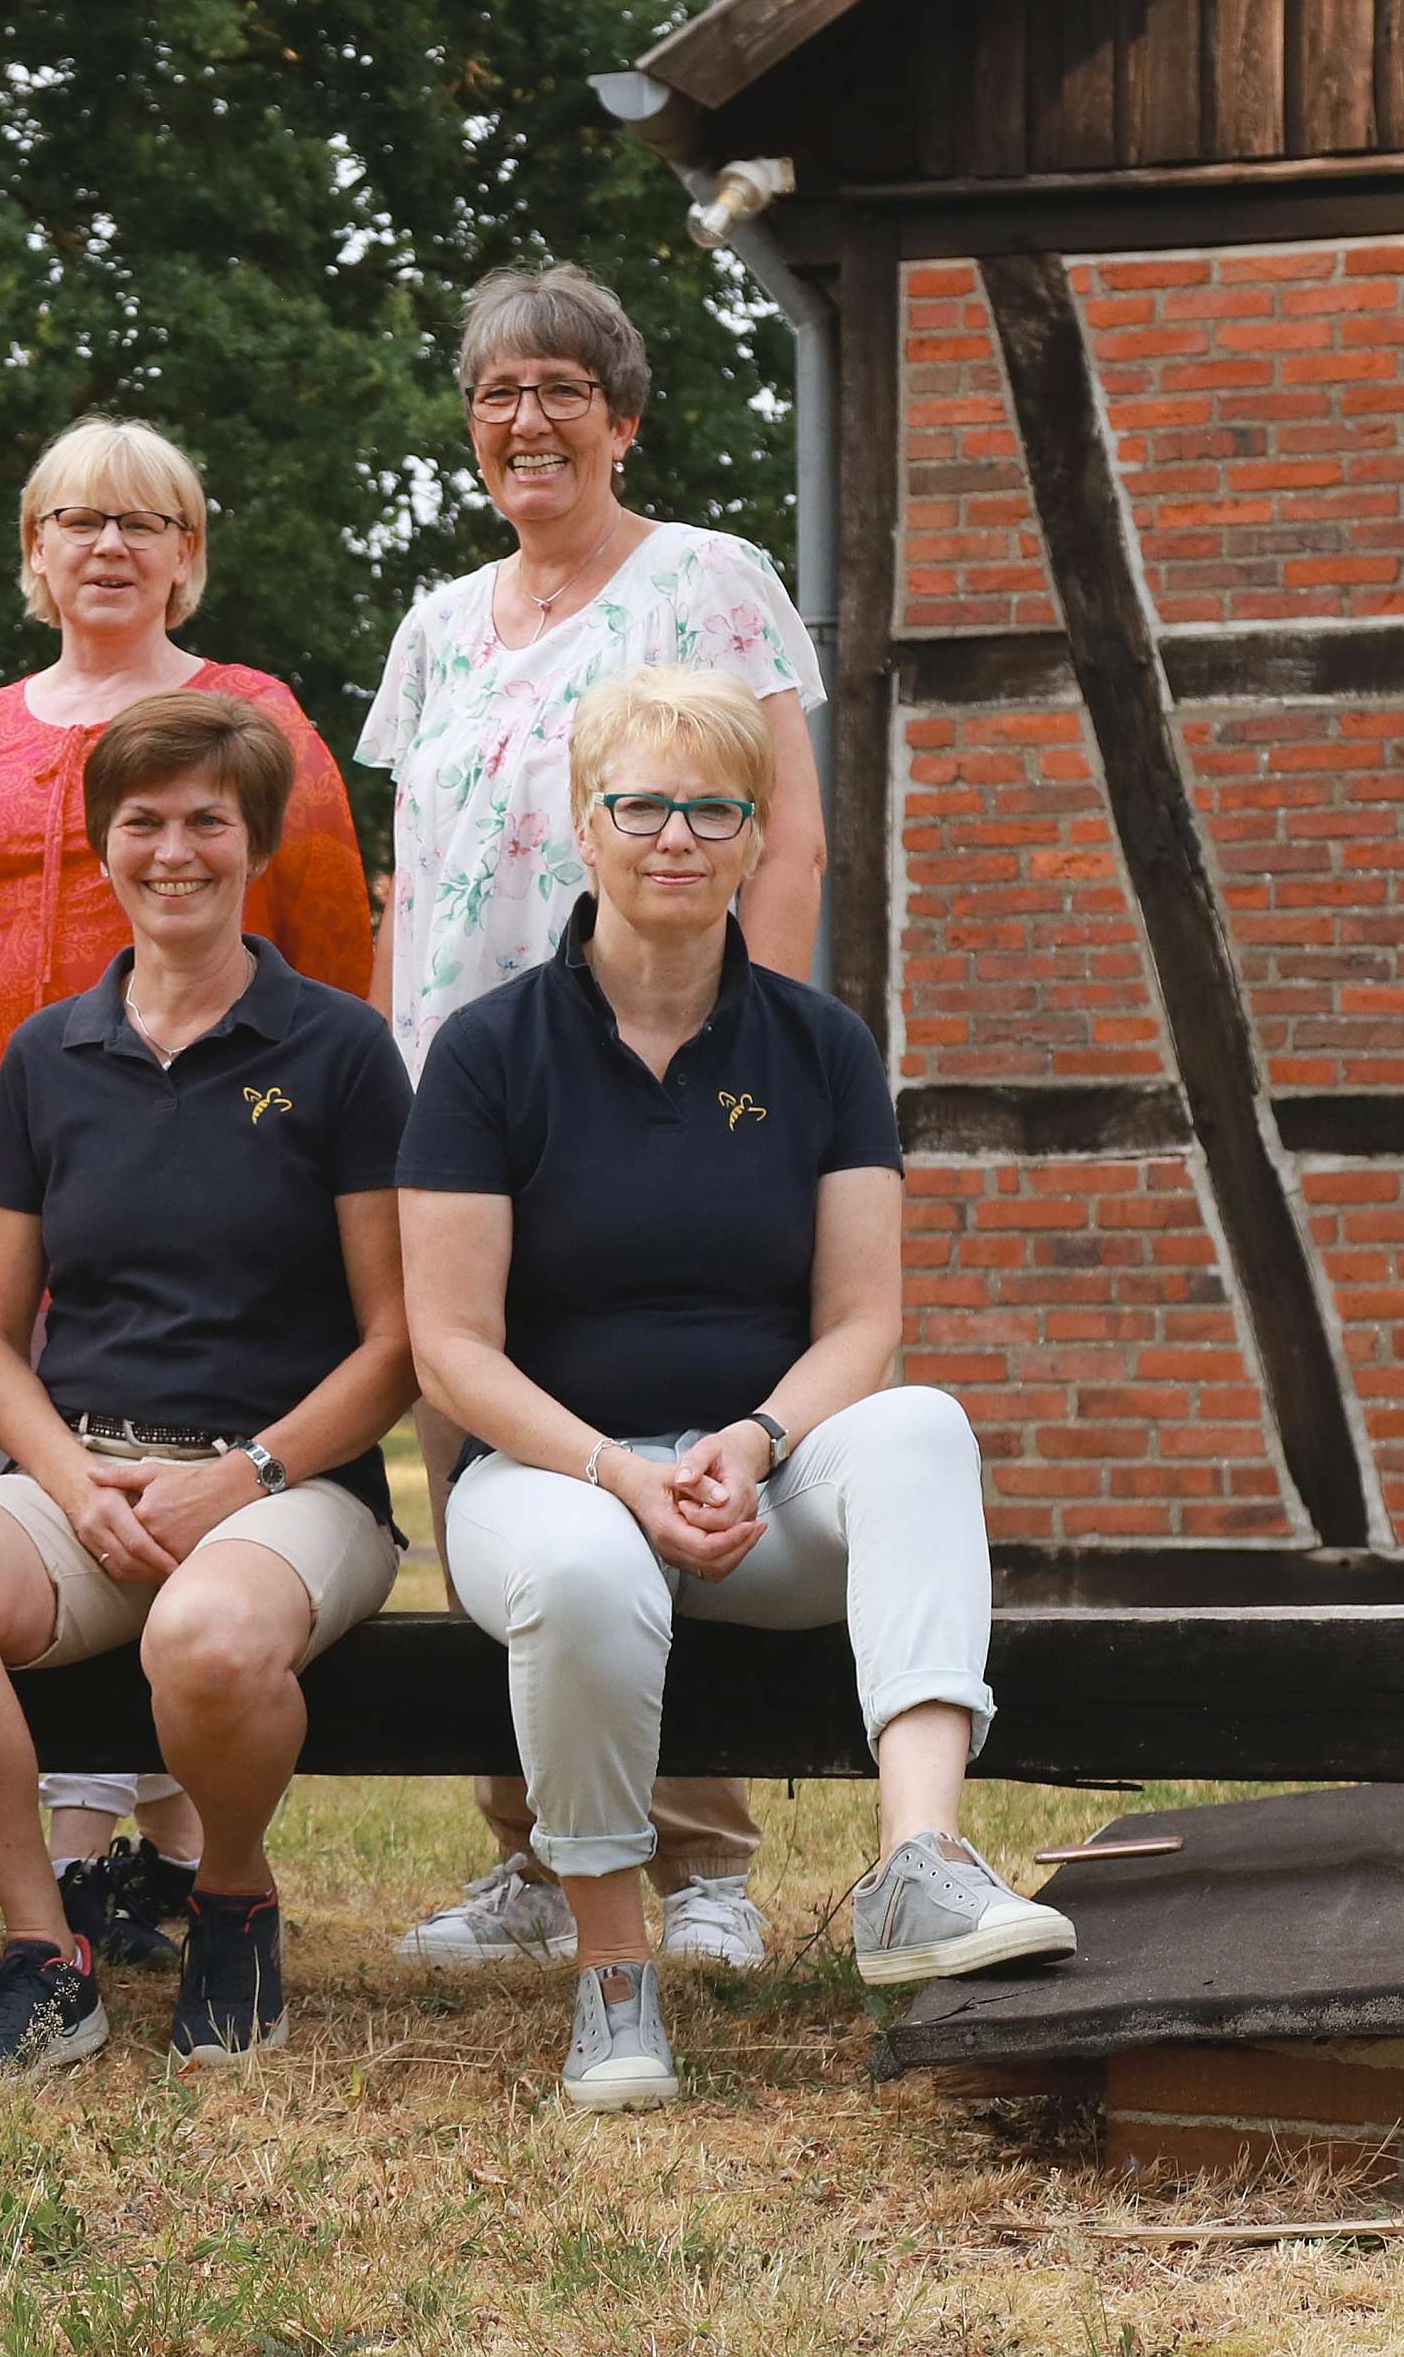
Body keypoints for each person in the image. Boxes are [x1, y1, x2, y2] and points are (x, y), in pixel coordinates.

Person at [398, 667, 1073, 2113]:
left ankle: (918, 1870)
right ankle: (613, 1982)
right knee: (582, 1571)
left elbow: (864, 1320)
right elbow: (449, 1346)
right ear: (585, 826)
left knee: (922, 1426)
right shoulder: (485, 1051)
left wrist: (760, 1440)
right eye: (642, 804)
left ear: (757, 840)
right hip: (547, 1484)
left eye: (717, 808)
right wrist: (617, 1472)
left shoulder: (820, 1047)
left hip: (759, 1488)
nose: (678, 837)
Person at [358, 263, 828, 1976]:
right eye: (498, 395)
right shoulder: (433, 630)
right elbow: (409, 882)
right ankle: (537, 1859)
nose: (528, 420)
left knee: (659, 1441)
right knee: (497, 1473)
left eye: (563, 388)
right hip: (468, 1110)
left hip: (663, 1085)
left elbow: (787, 839)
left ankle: (698, 1865)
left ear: (623, 417)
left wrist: (744, 1076)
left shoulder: (710, 579)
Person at [0, 692, 411, 2083]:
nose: (176, 851)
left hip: (290, 1488)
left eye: (208, 823)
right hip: (87, 1477)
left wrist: (243, 1477)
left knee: (213, 1648)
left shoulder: (341, 1047)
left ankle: (230, 1895)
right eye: (143, 823)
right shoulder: (50, 1055)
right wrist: (66, 1482)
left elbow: (400, 1336)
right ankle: (47, 1953)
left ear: (256, 842)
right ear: (105, 847)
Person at [0, 417, 374, 1962]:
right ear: (32, 549)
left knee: (181, 1512)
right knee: (53, 1504)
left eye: (145, 520)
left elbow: (327, 932)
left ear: (189, 551)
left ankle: (175, 1864)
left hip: (226, 1161)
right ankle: (78, 1864)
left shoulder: (253, 719)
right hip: (20, 1158)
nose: (108, 544)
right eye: (75, 518)